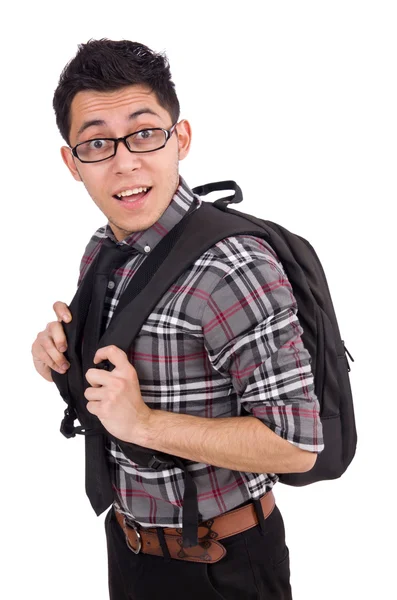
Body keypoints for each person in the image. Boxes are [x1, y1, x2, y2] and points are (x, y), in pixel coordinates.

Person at [31, 39, 324, 600]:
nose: (124, 161)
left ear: (180, 139)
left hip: (221, 565)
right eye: (97, 143)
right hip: (131, 548)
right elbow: (121, 384)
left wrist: (142, 424)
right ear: (72, 162)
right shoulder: (103, 250)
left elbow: (296, 444)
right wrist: (59, 357)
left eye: (144, 133)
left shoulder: (232, 267)